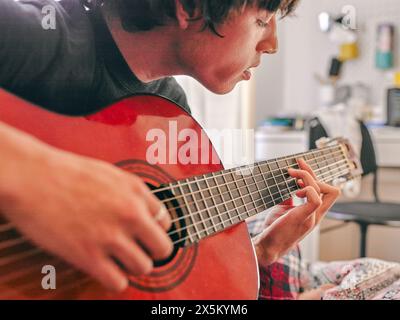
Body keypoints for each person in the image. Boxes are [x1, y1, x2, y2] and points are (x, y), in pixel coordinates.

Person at [0, 0, 340, 294]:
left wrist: (261, 250)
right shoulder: (35, 35)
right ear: (189, 7)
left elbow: (148, 280)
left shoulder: (167, 109)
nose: (272, 43)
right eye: (262, 20)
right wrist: (38, 176)